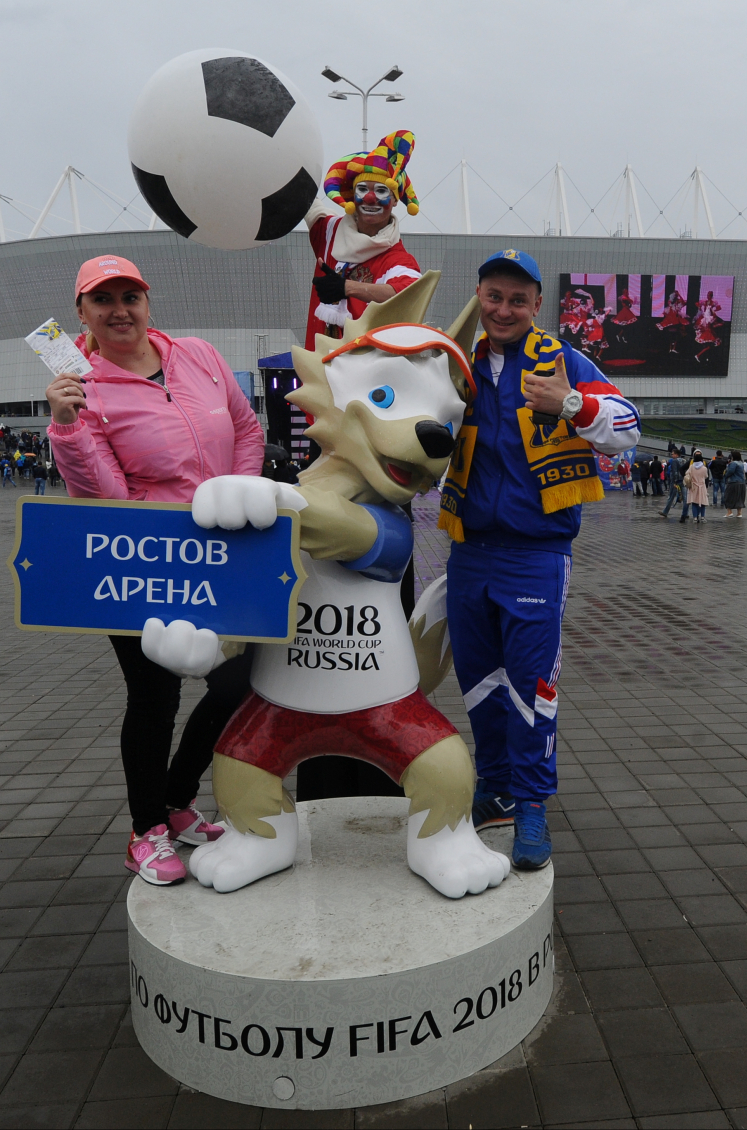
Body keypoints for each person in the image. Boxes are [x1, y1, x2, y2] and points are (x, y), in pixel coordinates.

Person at [45, 253, 264, 885]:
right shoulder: (82, 384)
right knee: (155, 695)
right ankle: (146, 831)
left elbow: (247, 431)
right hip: (144, 560)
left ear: (148, 301)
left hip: (222, 552)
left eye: (130, 296)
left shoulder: (197, 355)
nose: (120, 311)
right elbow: (101, 495)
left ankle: (175, 798)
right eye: (102, 300)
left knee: (239, 683)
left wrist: (235, 497)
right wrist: (67, 425)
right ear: (81, 312)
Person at [438, 248, 640, 870]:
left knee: (532, 686)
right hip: (468, 550)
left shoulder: (563, 361)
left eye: (517, 300)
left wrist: (571, 405)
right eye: (493, 298)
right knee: (478, 683)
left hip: (536, 553)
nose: (503, 310)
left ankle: (531, 804)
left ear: (535, 306)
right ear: (478, 297)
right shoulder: (454, 360)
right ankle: (494, 787)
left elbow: (630, 426)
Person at [305, 131, 422, 350]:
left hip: (363, 374)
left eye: (381, 190)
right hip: (317, 369)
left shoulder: (397, 259)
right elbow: (304, 197)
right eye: (362, 189)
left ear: (395, 200)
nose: (370, 198)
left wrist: (346, 288)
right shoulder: (330, 231)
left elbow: (409, 293)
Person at [660, 447, 687, 518]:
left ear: (677, 455)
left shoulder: (674, 461)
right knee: (685, 498)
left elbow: (675, 471)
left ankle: (665, 512)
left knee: (671, 497)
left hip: (676, 481)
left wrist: (675, 481)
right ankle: (685, 513)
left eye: (673, 454)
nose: (672, 455)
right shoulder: (684, 460)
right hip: (683, 481)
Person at [683, 454, 709, 521]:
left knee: (694, 502)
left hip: (693, 486)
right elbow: (706, 476)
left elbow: (687, 473)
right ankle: (702, 517)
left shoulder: (691, 467)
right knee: (703, 502)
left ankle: (695, 517)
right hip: (702, 486)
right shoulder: (704, 468)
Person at [722, 450, 747, 517]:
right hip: (742, 482)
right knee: (739, 498)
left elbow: (730, 472)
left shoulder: (733, 463)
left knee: (728, 496)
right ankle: (739, 513)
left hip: (734, 482)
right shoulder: (741, 463)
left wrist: (725, 475)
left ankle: (729, 512)